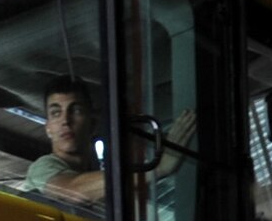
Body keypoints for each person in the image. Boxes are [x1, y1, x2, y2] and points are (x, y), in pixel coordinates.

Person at [23, 75, 196, 207]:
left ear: (92, 124)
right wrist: (157, 168)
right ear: (48, 128)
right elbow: (71, 190)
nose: (65, 120)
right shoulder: (43, 167)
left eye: (75, 111)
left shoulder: (101, 182)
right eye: (55, 113)